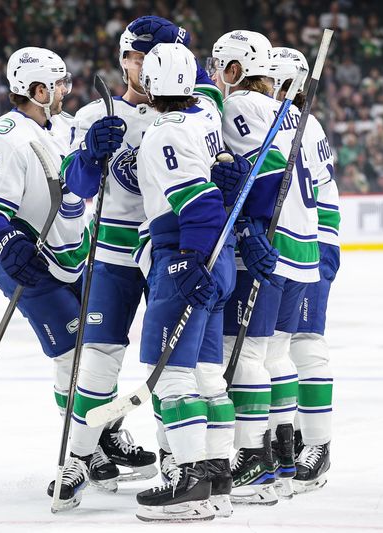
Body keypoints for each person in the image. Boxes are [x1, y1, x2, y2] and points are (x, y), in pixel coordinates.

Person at [61, 16, 238, 509]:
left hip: (169, 250)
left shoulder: (198, 108)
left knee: (172, 369)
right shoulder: (96, 115)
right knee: (97, 363)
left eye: (150, 55)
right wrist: (89, 157)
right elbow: (75, 188)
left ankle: (178, 465)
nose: (138, 65)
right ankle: (77, 458)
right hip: (117, 252)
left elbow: (220, 160)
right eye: (133, 55)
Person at [0, 46, 123, 511]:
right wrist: (5, 244)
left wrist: (96, 153)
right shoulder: (7, 136)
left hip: (75, 252)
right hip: (29, 262)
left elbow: (81, 182)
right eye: (58, 84)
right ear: (37, 90)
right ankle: (85, 451)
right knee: (73, 355)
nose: (65, 90)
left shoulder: (66, 125)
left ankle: (103, 435)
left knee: (97, 351)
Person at [210, 30, 320, 504]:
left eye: (218, 68)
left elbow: (267, 172)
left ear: (235, 71)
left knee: (247, 354)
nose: (214, 78)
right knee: (275, 355)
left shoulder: (238, 107)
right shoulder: (290, 110)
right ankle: (283, 454)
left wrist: (250, 229)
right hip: (301, 247)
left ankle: (254, 461)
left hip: (267, 245)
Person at [131, 42, 234, 522]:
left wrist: (190, 260)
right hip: (223, 252)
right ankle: (217, 480)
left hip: (186, 252)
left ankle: (190, 484)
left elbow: (196, 203)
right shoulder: (207, 115)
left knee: (168, 373)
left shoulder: (163, 134)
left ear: (151, 85)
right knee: (209, 374)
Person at [269, 46, 340, 494]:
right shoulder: (288, 121)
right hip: (295, 247)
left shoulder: (302, 125)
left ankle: (318, 444)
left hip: (311, 247)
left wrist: (325, 251)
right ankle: (290, 434)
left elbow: (321, 191)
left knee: (305, 345)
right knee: (277, 348)